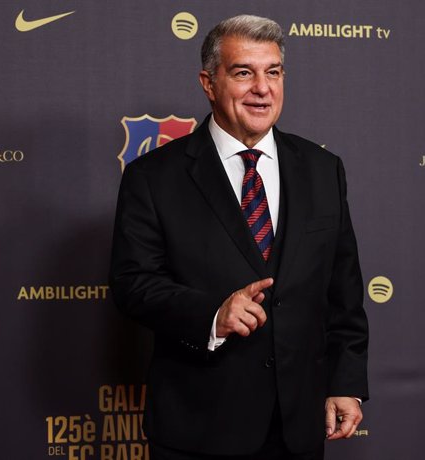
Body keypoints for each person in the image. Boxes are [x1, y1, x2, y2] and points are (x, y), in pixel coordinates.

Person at [110, 14, 368, 460]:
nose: (262, 88)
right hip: (199, 427)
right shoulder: (153, 177)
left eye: (273, 72)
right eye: (243, 72)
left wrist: (345, 383)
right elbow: (133, 284)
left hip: (297, 427)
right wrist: (212, 314)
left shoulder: (323, 170)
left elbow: (343, 292)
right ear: (209, 83)